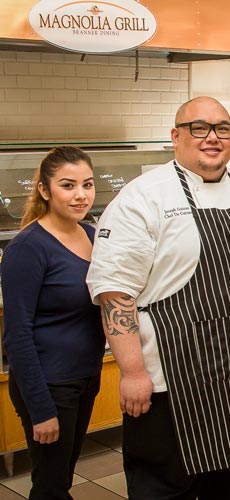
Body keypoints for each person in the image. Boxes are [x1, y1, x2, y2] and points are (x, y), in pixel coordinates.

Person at [86, 96, 230, 499]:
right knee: (164, 488)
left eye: (222, 128)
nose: (212, 138)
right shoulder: (143, 197)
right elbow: (115, 292)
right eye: (198, 128)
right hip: (173, 383)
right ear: (176, 136)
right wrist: (132, 372)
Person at [1, 146, 104, 500]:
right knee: (50, 485)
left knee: (61, 478)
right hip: (49, 384)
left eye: (87, 185)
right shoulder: (28, 247)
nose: (81, 195)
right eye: (68, 185)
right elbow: (16, 337)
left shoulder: (91, 235)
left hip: (84, 378)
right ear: (44, 190)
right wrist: (41, 410)